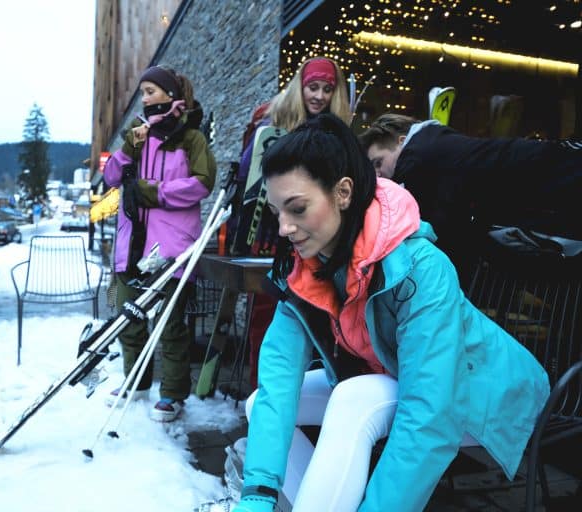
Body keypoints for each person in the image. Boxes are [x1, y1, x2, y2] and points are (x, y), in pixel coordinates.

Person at [232, 112, 549, 512]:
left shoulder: (420, 267)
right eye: (278, 211)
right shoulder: (310, 268)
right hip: (399, 376)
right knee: (259, 401)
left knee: (352, 399)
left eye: (297, 208)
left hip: (482, 395)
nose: (284, 227)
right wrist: (256, 496)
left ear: (343, 193)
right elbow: (279, 381)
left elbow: (431, 414)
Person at [102, 65, 216, 422]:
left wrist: (155, 193)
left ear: (170, 95)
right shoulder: (138, 136)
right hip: (132, 245)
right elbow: (111, 177)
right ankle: (136, 382)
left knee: (170, 324)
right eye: (143, 92)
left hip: (170, 248)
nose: (145, 97)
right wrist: (126, 149)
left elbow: (202, 183)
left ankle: (172, 393)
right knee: (129, 318)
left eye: (151, 91)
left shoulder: (191, 138)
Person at [231, 57, 353, 388]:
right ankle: (262, 401)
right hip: (273, 239)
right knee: (268, 321)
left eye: (327, 89)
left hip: (316, 240)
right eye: (313, 87)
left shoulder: (333, 130)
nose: (319, 96)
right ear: (300, 87)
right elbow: (251, 176)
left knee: (316, 322)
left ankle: (306, 408)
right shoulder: (271, 121)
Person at [357, 113, 582, 282]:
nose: (378, 175)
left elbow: (437, 226)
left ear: (401, 141)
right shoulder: (435, 148)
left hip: (557, 177)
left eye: (379, 162)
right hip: (555, 176)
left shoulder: (418, 154)